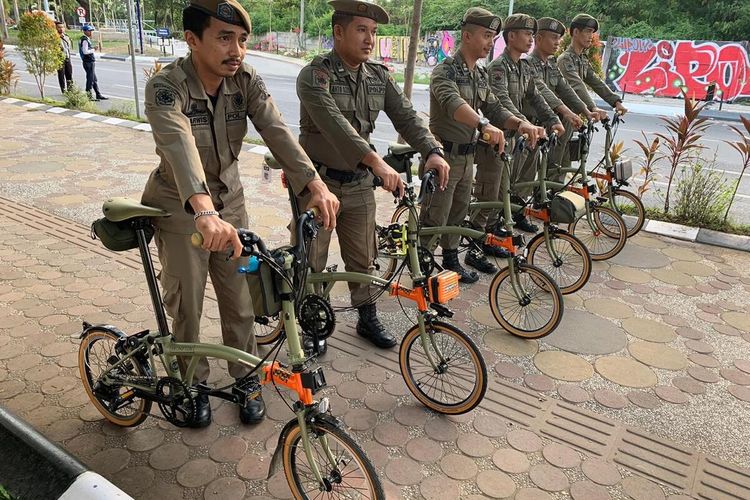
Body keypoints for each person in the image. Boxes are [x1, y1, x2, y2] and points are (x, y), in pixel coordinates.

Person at [140, 0, 340, 428]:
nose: (238, 50)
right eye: (225, 38)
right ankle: (190, 384)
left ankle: (246, 377)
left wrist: (314, 184)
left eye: (243, 40)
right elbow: (178, 145)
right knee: (187, 303)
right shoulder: (166, 87)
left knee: (241, 300)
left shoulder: (245, 80)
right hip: (180, 208)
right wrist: (202, 210)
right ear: (193, 40)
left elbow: (276, 130)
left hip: (230, 202)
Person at [296, 0, 450, 349]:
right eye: (361, 30)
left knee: (363, 257)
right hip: (318, 185)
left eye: (374, 32)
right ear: (338, 32)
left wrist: (432, 150)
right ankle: (311, 323)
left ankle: (367, 316)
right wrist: (377, 163)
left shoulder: (378, 76)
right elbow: (336, 127)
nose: (370, 39)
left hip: (358, 185)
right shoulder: (315, 76)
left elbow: (407, 117)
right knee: (312, 259)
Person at [423, 7, 542, 283]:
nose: (491, 43)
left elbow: (496, 107)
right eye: (487, 36)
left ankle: (451, 261)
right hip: (444, 156)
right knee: (435, 217)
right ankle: (424, 269)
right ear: (467, 36)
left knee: (458, 213)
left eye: (493, 37)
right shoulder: (445, 71)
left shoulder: (479, 74)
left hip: (466, 157)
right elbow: (453, 104)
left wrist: (520, 123)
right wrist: (482, 125)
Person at [470, 14, 559, 258]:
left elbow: (536, 96)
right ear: (511, 37)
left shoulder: (523, 66)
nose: (531, 39)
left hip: (515, 139)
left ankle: (492, 231)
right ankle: (476, 245)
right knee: (489, 192)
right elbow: (501, 103)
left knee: (504, 191)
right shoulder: (497, 68)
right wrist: (525, 124)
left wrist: (553, 120)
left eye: (532, 35)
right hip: (498, 139)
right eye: (527, 34)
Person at [557, 14, 627, 170]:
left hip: (574, 116)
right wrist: (593, 107)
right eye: (588, 31)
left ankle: (558, 193)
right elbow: (577, 86)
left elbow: (595, 81)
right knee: (555, 165)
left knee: (566, 161)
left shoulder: (581, 59)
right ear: (575, 32)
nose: (591, 36)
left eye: (592, 32)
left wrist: (615, 102)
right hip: (561, 117)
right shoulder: (565, 59)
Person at [527, 17, 594, 180]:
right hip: (526, 130)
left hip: (541, 130)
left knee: (530, 182)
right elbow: (542, 89)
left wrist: (586, 111)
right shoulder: (527, 64)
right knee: (517, 185)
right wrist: (565, 112)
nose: (558, 42)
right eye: (554, 38)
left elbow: (566, 89)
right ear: (539, 39)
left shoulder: (550, 64)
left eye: (559, 38)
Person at [79, 24, 107, 101]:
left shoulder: (86, 39)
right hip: (88, 62)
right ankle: (89, 96)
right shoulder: (84, 40)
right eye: (89, 31)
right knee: (90, 79)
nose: (91, 32)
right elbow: (85, 51)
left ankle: (98, 94)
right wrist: (93, 49)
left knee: (94, 79)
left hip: (89, 61)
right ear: (85, 31)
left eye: (91, 31)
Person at [55, 21, 74, 94]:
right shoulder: (54, 37)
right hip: (59, 58)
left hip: (67, 57)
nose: (61, 29)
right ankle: (63, 90)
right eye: (59, 27)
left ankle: (70, 89)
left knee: (69, 73)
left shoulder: (66, 36)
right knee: (61, 75)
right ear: (56, 28)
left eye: (62, 27)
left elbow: (69, 47)